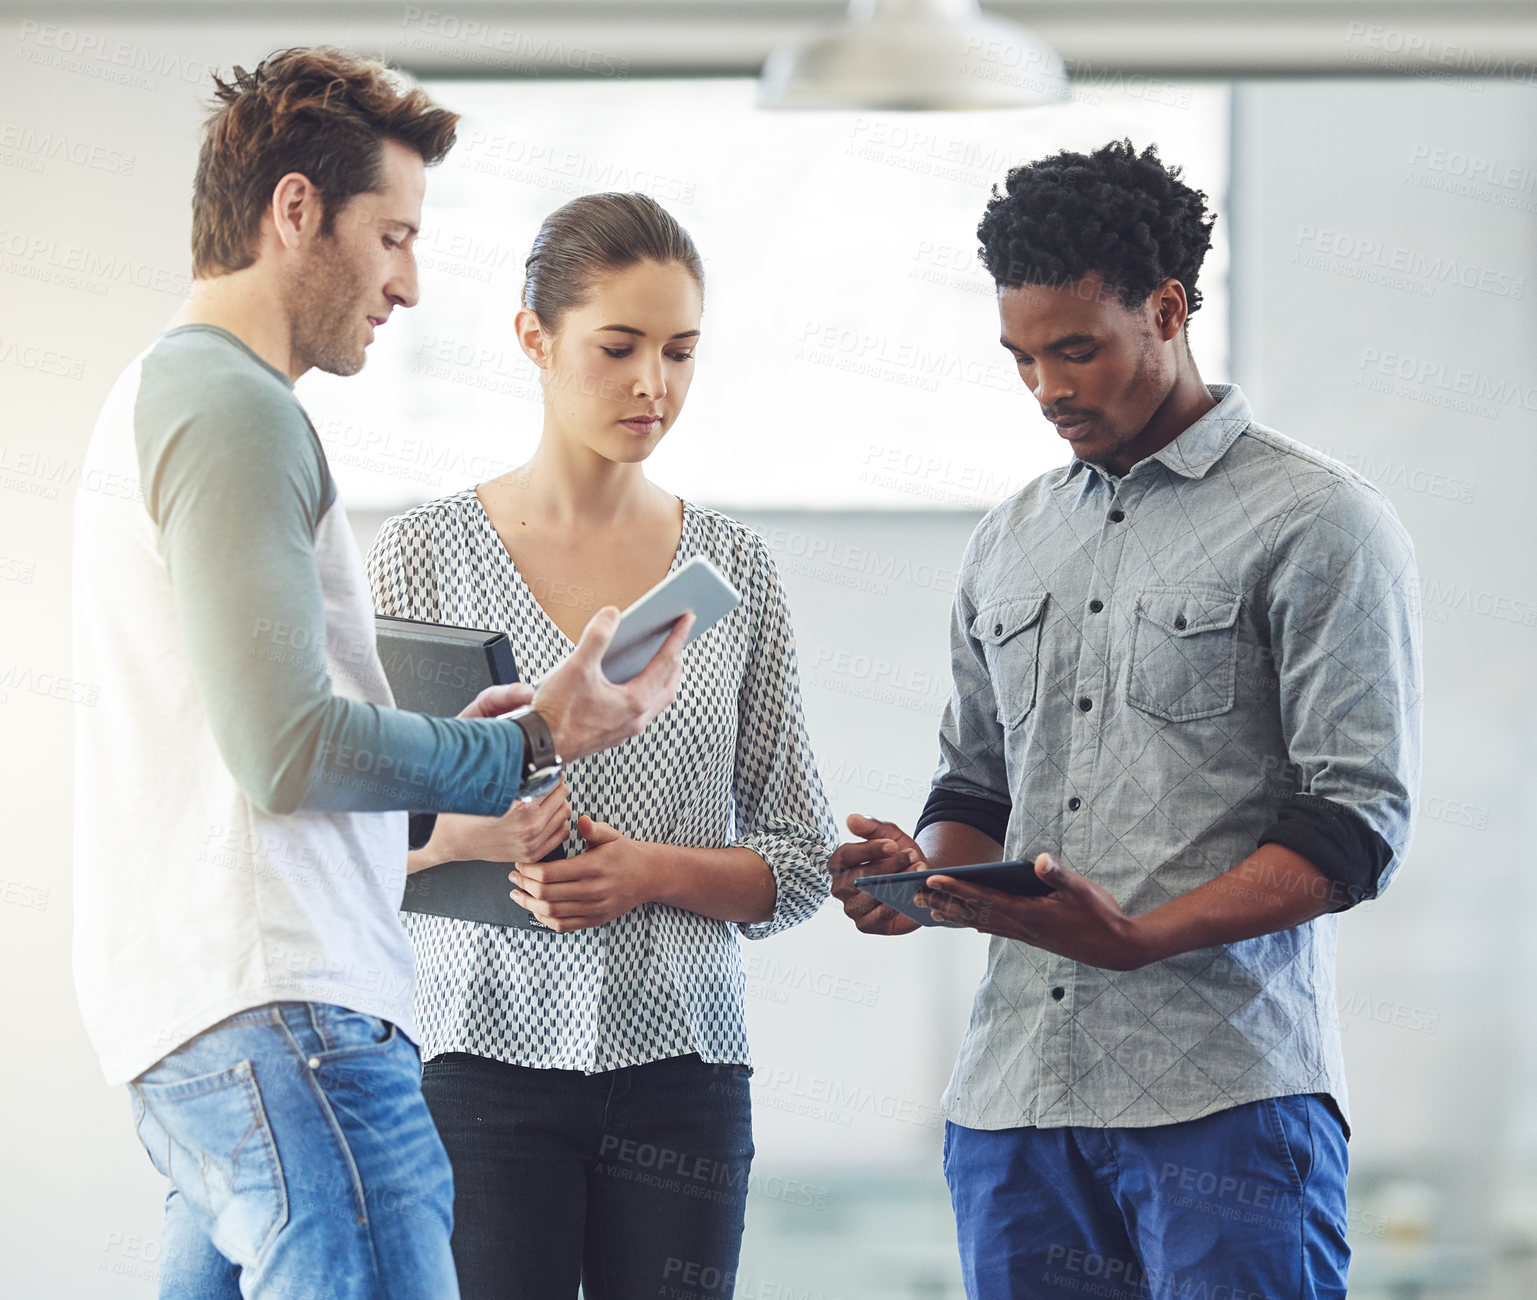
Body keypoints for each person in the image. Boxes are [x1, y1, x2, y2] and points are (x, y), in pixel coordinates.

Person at [72, 50, 693, 1300]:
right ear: (294, 210)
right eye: (392, 237)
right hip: (288, 1017)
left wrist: (434, 761)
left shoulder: (168, 396)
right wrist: (533, 738)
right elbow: (286, 747)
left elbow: (247, 743)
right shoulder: (233, 407)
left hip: (205, 1023)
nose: (408, 283)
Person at [829, 140, 1422, 1299]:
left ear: (1166, 308)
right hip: (1013, 1105)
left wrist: (1140, 937)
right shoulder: (1005, 539)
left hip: (1222, 1104)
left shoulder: (1320, 523)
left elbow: (1355, 823)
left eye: (1076, 350)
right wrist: (924, 878)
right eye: (1021, 358)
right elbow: (974, 787)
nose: (1048, 387)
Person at [366, 190, 836, 1300]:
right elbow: (342, 850)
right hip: (472, 1065)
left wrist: (649, 873)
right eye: (618, 347)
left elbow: (802, 860)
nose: (652, 386)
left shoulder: (734, 572)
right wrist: (462, 840)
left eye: (680, 351)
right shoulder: (417, 556)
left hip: (684, 1070)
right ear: (533, 337)